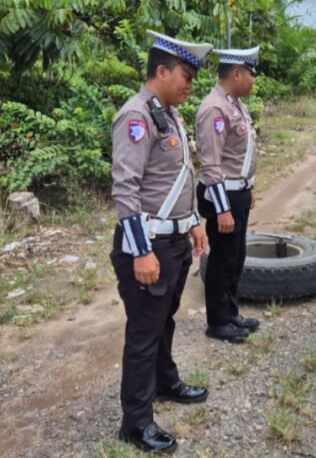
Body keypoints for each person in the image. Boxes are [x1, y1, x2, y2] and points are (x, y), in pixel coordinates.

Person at [110, 30, 212, 453]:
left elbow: (172, 181)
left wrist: (194, 222)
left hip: (173, 244)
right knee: (142, 333)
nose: (190, 84)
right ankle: (135, 423)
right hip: (147, 246)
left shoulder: (168, 114)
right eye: (185, 75)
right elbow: (126, 190)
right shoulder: (136, 117)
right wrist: (142, 251)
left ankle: (165, 383)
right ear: (161, 71)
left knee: (164, 320)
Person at [195, 46, 261, 342]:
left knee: (236, 256)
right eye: (251, 74)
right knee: (222, 258)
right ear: (236, 73)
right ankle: (218, 321)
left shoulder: (234, 104)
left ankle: (231, 312)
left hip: (238, 194)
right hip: (223, 196)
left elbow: (239, 156)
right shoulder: (215, 108)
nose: (253, 80)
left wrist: (249, 189)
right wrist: (222, 209)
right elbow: (211, 163)